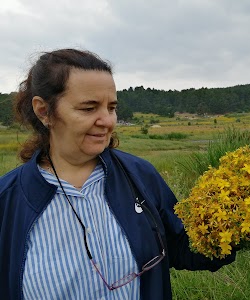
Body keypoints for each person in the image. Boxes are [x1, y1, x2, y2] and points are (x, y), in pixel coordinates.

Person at [0, 49, 236, 300]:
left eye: (111, 107)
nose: (107, 121)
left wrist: (228, 228)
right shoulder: (8, 200)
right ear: (44, 111)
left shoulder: (140, 176)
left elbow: (180, 248)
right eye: (89, 108)